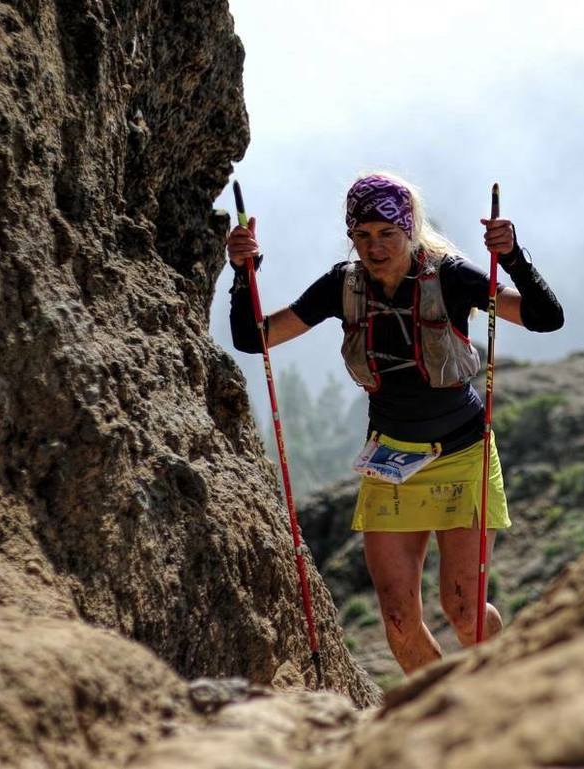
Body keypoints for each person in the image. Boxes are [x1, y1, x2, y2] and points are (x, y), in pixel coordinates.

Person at [226, 172, 563, 673]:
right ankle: (444, 710)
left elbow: (545, 317)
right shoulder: (343, 285)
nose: (374, 247)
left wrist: (513, 257)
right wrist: (243, 274)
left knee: (466, 612)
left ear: (410, 230)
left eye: (387, 233)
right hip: (391, 459)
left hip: (463, 455)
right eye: (362, 235)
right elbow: (257, 338)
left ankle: (506, 692)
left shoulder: (450, 276)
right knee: (399, 622)